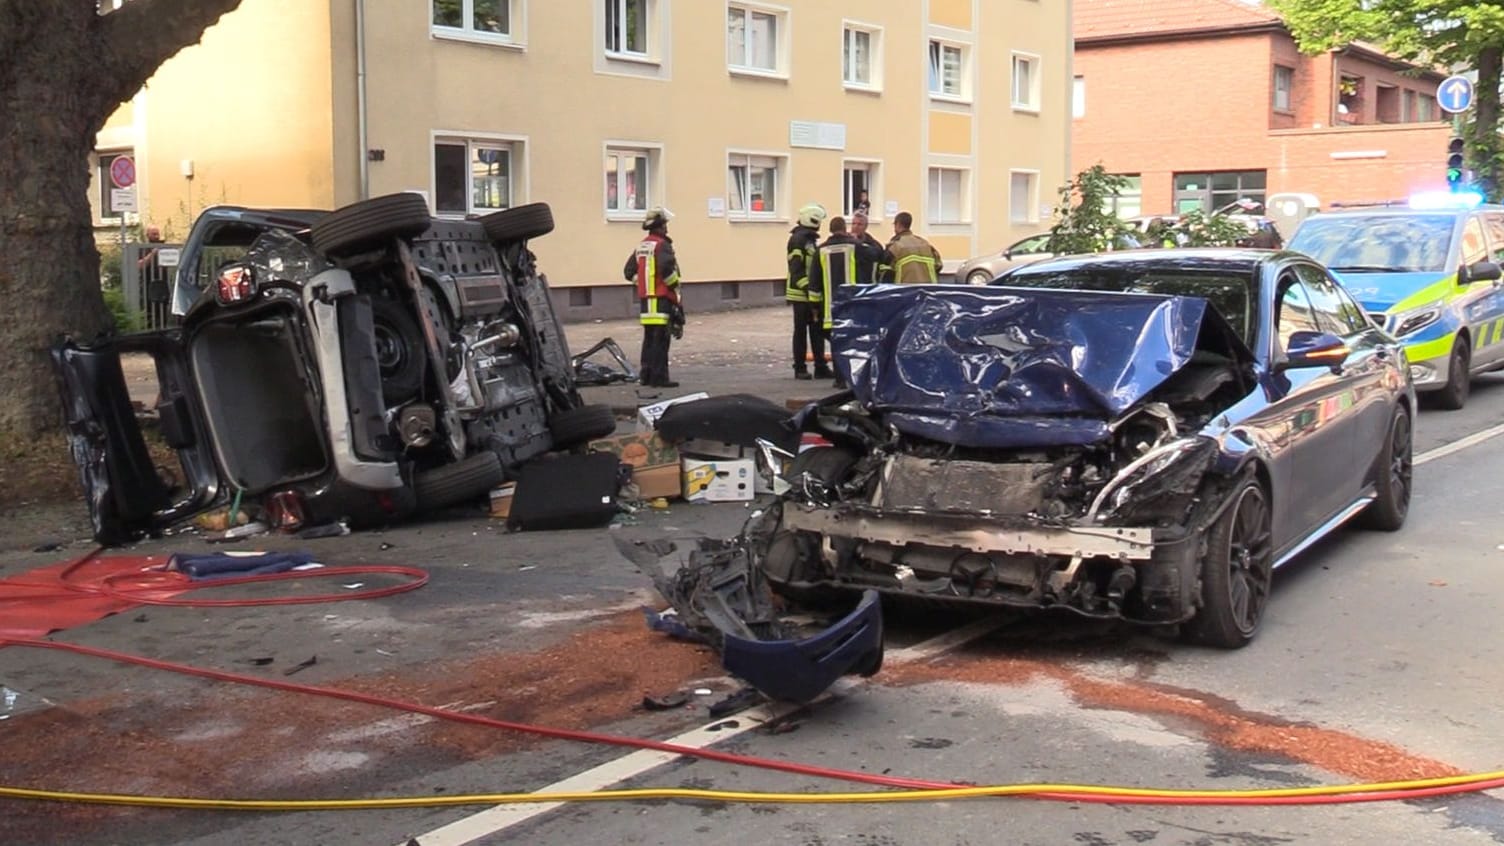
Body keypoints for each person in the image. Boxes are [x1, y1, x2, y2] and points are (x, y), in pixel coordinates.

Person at [623, 207, 682, 388]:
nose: (667, 229)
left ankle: (646, 376)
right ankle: (659, 378)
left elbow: (628, 272)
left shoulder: (642, 245)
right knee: (661, 340)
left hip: (646, 302)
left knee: (649, 340)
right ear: (659, 226)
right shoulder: (662, 245)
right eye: (665, 225)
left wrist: (643, 284)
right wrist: (674, 286)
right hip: (662, 300)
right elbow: (666, 271)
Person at [786, 202, 830, 381]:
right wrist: (808, 288)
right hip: (800, 294)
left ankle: (820, 366)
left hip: (810, 293)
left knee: (816, 330)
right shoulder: (798, 240)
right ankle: (800, 368)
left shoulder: (808, 239)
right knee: (801, 331)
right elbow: (796, 268)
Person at [886, 212, 942, 283]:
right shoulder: (925, 244)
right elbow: (939, 266)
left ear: (898, 224)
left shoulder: (895, 246)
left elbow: (885, 271)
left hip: (905, 290)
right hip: (928, 290)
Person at [849, 213, 893, 284]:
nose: (855, 227)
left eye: (859, 224)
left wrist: (857, 243)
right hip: (850, 285)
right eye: (853, 224)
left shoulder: (873, 244)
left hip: (868, 284)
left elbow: (876, 256)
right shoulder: (845, 242)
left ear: (865, 227)